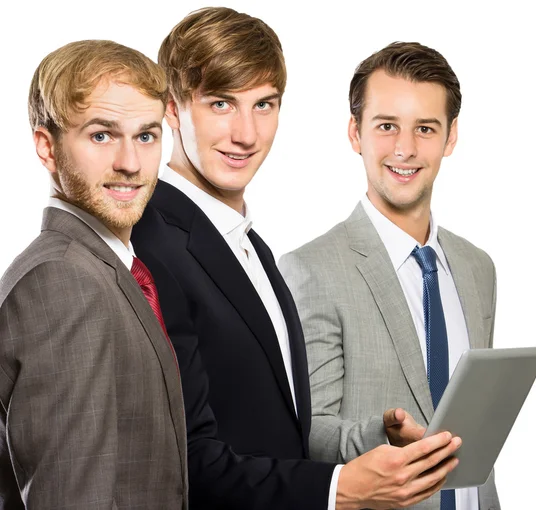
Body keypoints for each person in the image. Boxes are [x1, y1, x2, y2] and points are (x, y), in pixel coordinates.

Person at [132, 8, 462, 510]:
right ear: (172, 110)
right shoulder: (148, 244)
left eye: (264, 104)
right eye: (221, 104)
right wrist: (339, 489)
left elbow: (275, 427)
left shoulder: (251, 245)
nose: (246, 133)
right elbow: (180, 457)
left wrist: (375, 439)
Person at [280, 42, 502, 510]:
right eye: (386, 126)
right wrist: (380, 432)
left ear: (451, 137)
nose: (405, 149)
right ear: (355, 133)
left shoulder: (478, 268)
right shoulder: (311, 269)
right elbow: (310, 431)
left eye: (425, 128)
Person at [0, 40, 188, 509]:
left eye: (146, 135)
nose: (130, 163)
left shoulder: (102, 268)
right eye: (102, 135)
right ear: (47, 146)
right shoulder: (63, 282)